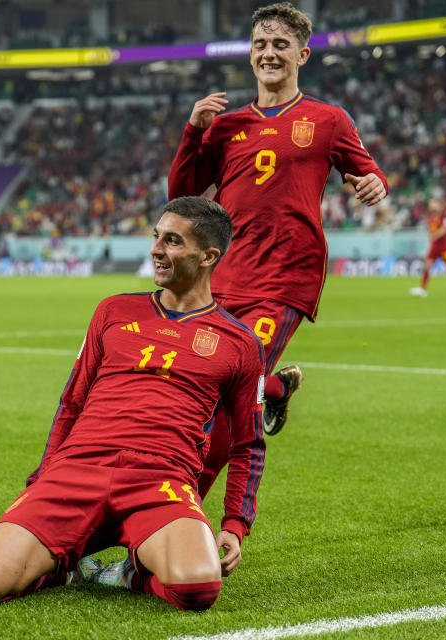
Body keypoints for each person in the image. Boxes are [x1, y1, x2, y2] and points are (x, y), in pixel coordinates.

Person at [0, 197, 266, 611]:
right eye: (156, 236)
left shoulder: (241, 343)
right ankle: (64, 567)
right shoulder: (113, 310)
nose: (156, 249)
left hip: (161, 477)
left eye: (172, 241)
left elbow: (248, 443)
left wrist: (235, 524)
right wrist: (44, 477)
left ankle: (131, 573)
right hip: (78, 468)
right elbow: (71, 403)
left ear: (208, 256)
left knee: (198, 587)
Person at [167, 2, 388, 497]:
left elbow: (368, 171)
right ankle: (280, 388)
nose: (269, 53)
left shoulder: (328, 120)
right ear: (250, 55)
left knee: (233, 393)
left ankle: (185, 508)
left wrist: (374, 182)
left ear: (302, 54)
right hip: (224, 274)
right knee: (207, 381)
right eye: (261, 45)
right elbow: (182, 195)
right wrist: (193, 131)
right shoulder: (225, 127)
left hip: (287, 277)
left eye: (280, 45)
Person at [409, 198, 446, 298]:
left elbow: (444, 230)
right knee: (427, 266)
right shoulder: (430, 217)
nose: (432, 206)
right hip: (434, 247)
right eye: (431, 204)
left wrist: (434, 236)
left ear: (439, 206)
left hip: (444, 247)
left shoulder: (444, 218)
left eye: (434, 204)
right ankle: (422, 289)